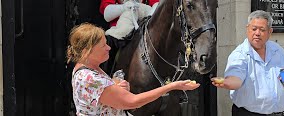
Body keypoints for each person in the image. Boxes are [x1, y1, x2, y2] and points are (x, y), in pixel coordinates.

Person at [67, 23, 199, 116]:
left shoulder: (90, 68)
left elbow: (101, 95)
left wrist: (115, 85)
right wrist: (171, 87)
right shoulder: (88, 77)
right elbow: (133, 102)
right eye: (103, 46)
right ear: (86, 52)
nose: (108, 48)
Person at [212, 10, 284, 116]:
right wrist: (226, 82)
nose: (257, 33)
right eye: (254, 29)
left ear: (270, 32)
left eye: (262, 30)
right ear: (247, 29)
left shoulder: (277, 50)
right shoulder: (240, 54)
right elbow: (236, 79)